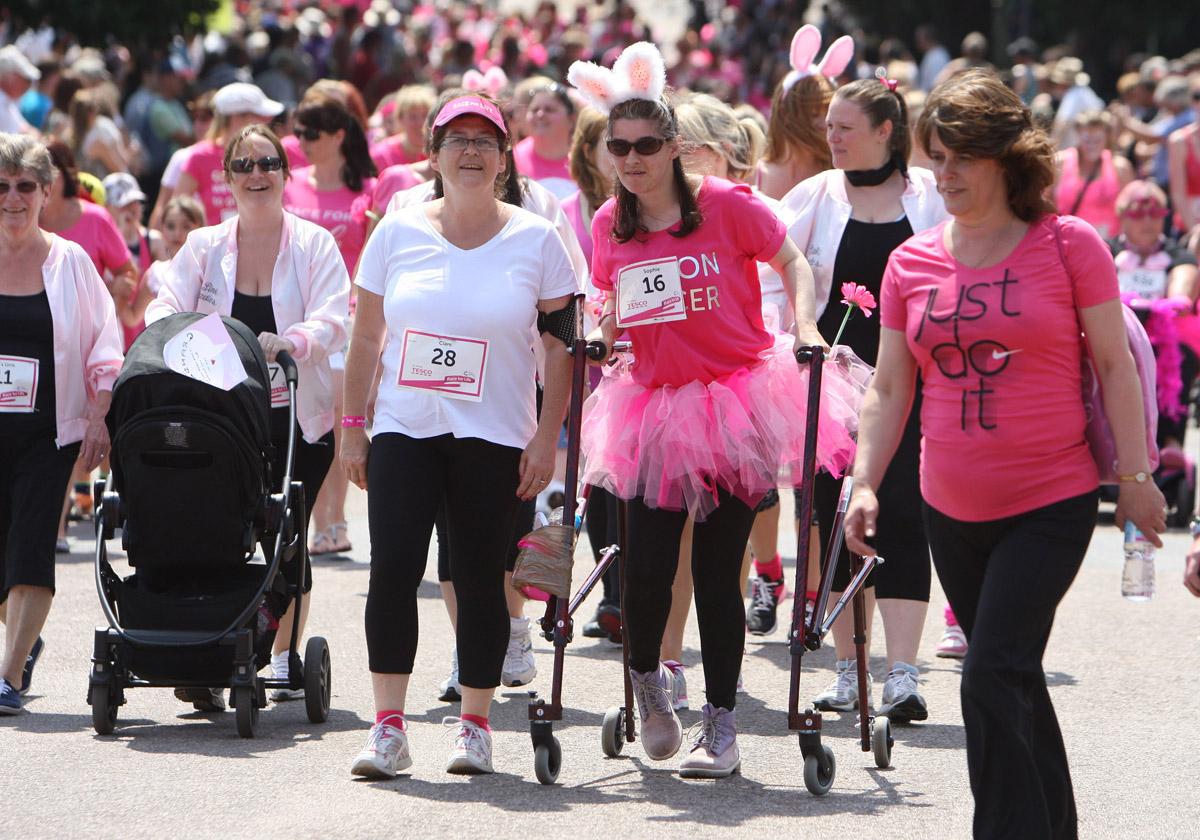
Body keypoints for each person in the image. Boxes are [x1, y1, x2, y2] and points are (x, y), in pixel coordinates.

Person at [844, 70, 1167, 839]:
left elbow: (1116, 365)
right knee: (1014, 676)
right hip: (947, 504)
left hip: (1050, 499)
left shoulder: (1069, 243)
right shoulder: (910, 262)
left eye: (960, 159)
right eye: (936, 159)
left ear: (1006, 158)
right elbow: (889, 388)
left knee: (987, 675)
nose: (943, 176)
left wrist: (1137, 475)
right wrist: (863, 481)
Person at [569, 42, 854, 779]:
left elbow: (790, 259)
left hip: (734, 401)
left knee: (722, 570)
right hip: (653, 409)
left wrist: (806, 324)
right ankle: (646, 686)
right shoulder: (609, 224)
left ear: (672, 148)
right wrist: (601, 336)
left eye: (645, 146)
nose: (631, 159)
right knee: (646, 572)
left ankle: (721, 725)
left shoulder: (724, 204)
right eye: (618, 147)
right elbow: (610, 300)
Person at [341, 94, 578, 777]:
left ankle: (475, 724)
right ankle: (390, 728)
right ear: (434, 154)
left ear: (505, 159)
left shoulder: (537, 238)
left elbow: (561, 347)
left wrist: (546, 438)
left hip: (496, 433)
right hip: (405, 429)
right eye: (457, 140)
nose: (471, 152)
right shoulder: (398, 229)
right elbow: (365, 335)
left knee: (479, 578)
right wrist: (353, 428)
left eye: (485, 141)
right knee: (391, 571)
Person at [147, 124, 349, 709]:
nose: (257, 175)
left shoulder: (313, 245)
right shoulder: (205, 246)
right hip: (222, 419)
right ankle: (208, 650)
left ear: (286, 174)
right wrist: (207, 341)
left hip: (297, 419)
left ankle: (280, 656)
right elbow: (164, 306)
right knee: (216, 530)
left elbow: (336, 315)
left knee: (287, 538)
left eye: (268, 164)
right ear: (228, 178)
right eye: (245, 166)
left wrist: (294, 341)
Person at [782, 75, 949, 720]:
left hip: (913, 386)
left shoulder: (930, 199)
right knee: (835, 518)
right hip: (831, 389)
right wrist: (794, 338)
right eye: (829, 126)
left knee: (905, 515)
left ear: (886, 132)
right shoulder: (813, 196)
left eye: (845, 127)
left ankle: (902, 676)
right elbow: (775, 268)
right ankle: (849, 668)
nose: (833, 137)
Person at [0, 134, 123, 714]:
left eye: (25, 186)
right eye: (1, 187)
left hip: (48, 432)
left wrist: (99, 414)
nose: (12, 198)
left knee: (29, 547)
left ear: (47, 191)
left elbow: (104, 343)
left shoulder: (70, 262)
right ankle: (22, 638)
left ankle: (9, 675)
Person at [282, 90, 376, 558]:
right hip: (296, 312)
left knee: (341, 416)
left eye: (311, 133)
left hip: (351, 314)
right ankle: (319, 520)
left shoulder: (366, 187)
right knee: (312, 417)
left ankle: (334, 520)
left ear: (339, 135)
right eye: (298, 132)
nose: (301, 141)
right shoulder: (289, 183)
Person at [39, 140, 137, 541]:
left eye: (47, 170)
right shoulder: (22, 215)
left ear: (65, 173)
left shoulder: (95, 219)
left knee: (102, 429)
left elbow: (127, 272)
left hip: (94, 342)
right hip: (43, 342)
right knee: (52, 438)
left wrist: (110, 301)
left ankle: (118, 507)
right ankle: (56, 526)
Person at [756, 26, 851, 200]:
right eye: (813, 113)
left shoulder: (842, 177)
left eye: (828, 115)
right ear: (784, 112)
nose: (823, 124)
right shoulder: (753, 177)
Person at [176, 83, 285, 224]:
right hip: (215, 243)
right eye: (260, 115)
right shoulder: (200, 156)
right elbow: (176, 209)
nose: (269, 120)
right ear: (237, 118)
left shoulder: (272, 152)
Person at [101, 172, 163, 349]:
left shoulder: (153, 241)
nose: (132, 208)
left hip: (145, 334)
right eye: (123, 204)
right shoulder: (100, 244)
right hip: (114, 334)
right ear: (107, 208)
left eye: (135, 202)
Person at [1054, 111, 1133, 240]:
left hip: (1109, 244)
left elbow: (1130, 211)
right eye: (1087, 140)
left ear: (1107, 137)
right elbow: (1045, 204)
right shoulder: (1059, 163)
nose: (1092, 145)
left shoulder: (1120, 167)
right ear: (1078, 135)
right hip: (1068, 243)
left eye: (1097, 140)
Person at [512, 81, 577, 199]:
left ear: (571, 119)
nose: (540, 114)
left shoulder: (586, 159)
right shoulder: (513, 158)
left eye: (549, 109)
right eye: (534, 109)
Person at [370, 84, 435, 170]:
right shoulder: (381, 155)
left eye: (425, 115)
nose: (421, 123)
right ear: (400, 119)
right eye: (413, 116)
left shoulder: (439, 154)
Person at [1166, 74, 1200, 236]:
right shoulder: (1179, 140)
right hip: (1188, 229)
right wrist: (1195, 232)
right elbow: (1178, 194)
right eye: (1197, 96)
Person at [0, 46, 39, 135]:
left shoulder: (7, 100)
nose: (28, 84)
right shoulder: (2, 99)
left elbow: (23, 127)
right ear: (10, 77)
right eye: (25, 79)